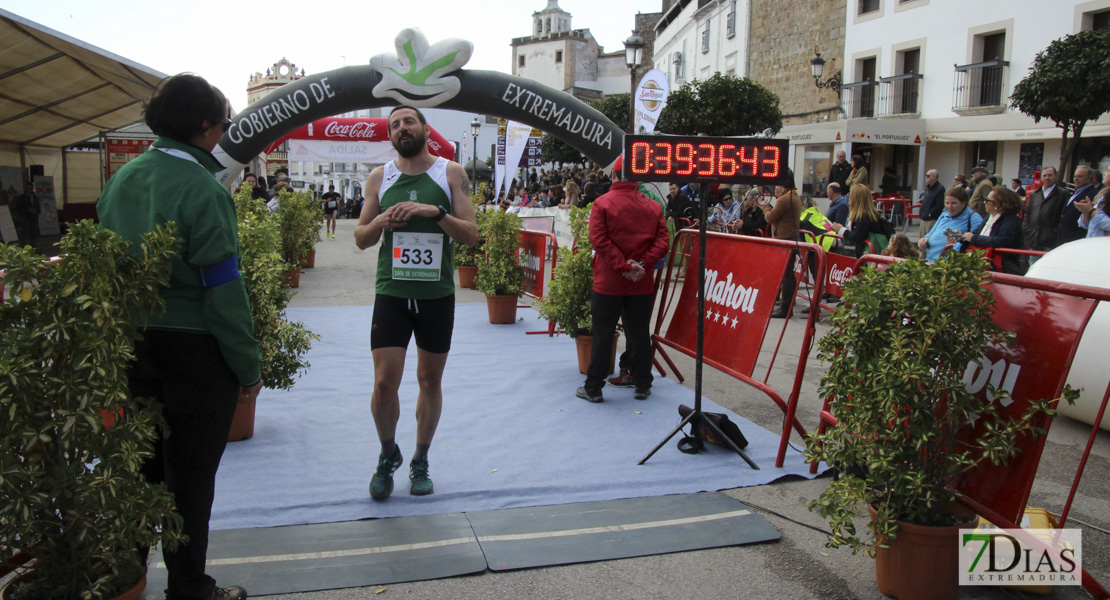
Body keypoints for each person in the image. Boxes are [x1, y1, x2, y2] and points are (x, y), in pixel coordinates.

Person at [96, 73, 258, 600]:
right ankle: (189, 587)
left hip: (131, 346)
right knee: (189, 479)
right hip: (194, 353)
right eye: (221, 125)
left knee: (138, 471)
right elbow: (223, 291)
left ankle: (128, 580)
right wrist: (247, 367)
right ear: (206, 127)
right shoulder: (204, 189)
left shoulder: (123, 179)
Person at [354, 105, 479, 500]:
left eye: (409, 121)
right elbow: (360, 237)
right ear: (390, 136)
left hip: (435, 295)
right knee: (383, 382)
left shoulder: (451, 173)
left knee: (429, 380)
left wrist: (436, 211)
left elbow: (471, 235)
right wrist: (379, 223)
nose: (402, 127)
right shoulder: (381, 176)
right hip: (391, 291)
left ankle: (420, 458)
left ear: (425, 129)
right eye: (394, 124)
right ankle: (388, 453)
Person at [576, 156, 669, 404]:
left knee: (603, 334)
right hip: (641, 282)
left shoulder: (602, 203)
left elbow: (600, 240)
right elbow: (662, 242)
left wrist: (622, 265)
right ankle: (642, 384)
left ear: (614, 175)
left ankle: (594, 387)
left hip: (609, 282)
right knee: (639, 334)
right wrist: (641, 265)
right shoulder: (653, 206)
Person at [959, 186, 1026, 274]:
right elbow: (977, 236)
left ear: (998, 204)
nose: (984, 202)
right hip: (982, 265)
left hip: (1001, 268)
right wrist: (962, 237)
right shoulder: (988, 218)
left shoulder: (1012, 220)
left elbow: (1002, 241)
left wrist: (972, 238)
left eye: (987, 200)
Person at [763, 170, 802, 319]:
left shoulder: (785, 199)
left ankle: (785, 307)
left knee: (787, 275)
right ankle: (785, 305)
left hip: (785, 239)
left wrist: (765, 207)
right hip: (790, 238)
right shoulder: (794, 196)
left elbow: (771, 217)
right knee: (787, 274)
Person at [917, 187, 983, 262]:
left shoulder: (973, 217)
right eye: (947, 203)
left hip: (950, 265)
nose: (949, 207)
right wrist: (924, 239)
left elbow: (977, 241)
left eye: (954, 203)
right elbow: (931, 233)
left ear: (963, 203)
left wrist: (959, 238)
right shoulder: (944, 215)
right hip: (930, 260)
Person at [830, 184, 888, 258]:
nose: (848, 199)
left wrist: (841, 230)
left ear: (855, 199)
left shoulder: (864, 216)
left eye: (850, 196)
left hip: (869, 256)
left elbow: (857, 235)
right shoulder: (871, 214)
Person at [1022, 166, 1067, 251]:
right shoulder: (1034, 194)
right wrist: (1028, 230)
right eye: (1044, 175)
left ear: (1056, 176)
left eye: (1050, 175)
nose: (1047, 178)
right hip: (1034, 240)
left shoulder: (1063, 194)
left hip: (1051, 242)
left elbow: (1064, 217)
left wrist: (1054, 232)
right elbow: (1027, 214)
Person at [1058, 164, 1098, 245]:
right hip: (1064, 239)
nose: (1075, 179)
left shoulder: (1093, 195)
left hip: (1077, 240)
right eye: (1074, 176)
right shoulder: (1075, 193)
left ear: (1089, 178)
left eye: (1079, 176)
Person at [1076, 169, 1110, 238]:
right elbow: (1088, 225)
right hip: (1093, 244)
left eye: (1108, 170)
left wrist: (1091, 211)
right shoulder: (1103, 193)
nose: (1104, 173)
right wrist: (1086, 212)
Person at [918, 169, 946, 236]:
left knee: (929, 239)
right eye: (926, 176)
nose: (926, 177)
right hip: (923, 218)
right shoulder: (928, 188)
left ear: (934, 177)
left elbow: (940, 204)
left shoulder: (940, 188)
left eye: (928, 176)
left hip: (931, 219)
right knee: (922, 239)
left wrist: (930, 213)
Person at [13, 180, 39, 249]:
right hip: (25, 218)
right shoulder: (21, 198)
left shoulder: (35, 197)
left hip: (33, 218)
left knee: (33, 234)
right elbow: (18, 208)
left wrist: (36, 210)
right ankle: (24, 248)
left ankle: (33, 248)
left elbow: (38, 207)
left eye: (30, 188)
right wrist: (27, 210)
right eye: (27, 188)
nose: (29, 190)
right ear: (25, 188)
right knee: (24, 234)